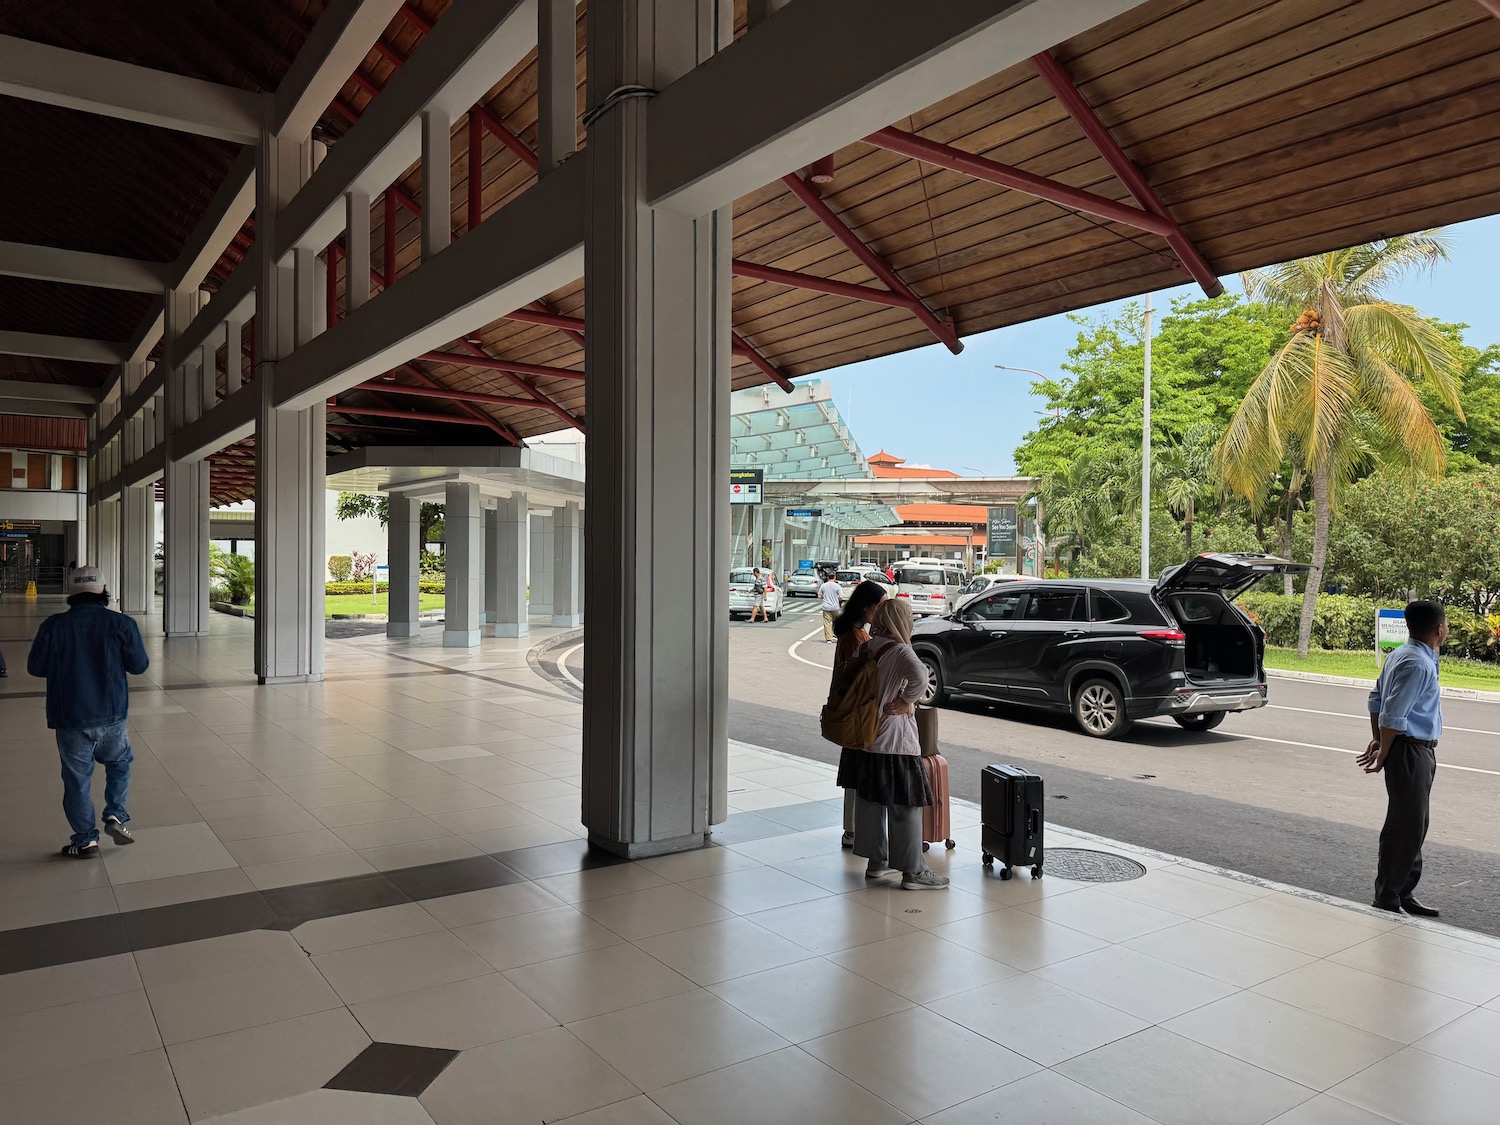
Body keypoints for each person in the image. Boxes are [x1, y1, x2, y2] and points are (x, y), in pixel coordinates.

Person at [27, 565, 150, 858]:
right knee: (119, 763)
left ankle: (85, 841)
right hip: (111, 714)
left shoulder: (53, 626)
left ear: (71, 593)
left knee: (77, 779)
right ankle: (115, 815)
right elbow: (139, 665)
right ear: (103, 592)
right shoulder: (121, 624)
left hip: (69, 716)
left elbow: (35, 668)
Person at [840, 599, 948, 890]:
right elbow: (921, 675)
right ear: (902, 620)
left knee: (872, 801)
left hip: (866, 737)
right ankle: (914, 872)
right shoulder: (901, 650)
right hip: (895, 740)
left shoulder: (869, 646)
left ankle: (877, 862)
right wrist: (906, 700)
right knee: (906, 804)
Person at [1359, 600, 1446, 916]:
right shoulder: (1416, 663)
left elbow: (1375, 699)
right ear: (1439, 629)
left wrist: (1378, 739)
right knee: (1404, 825)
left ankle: (1402, 891)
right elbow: (1392, 714)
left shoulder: (1404, 655)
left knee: (1415, 823)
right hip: (1410, 749)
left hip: (1413, 748)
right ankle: (1387, 896)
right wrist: (1383, 748)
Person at [833, 581, 889, 849]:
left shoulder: (850, 634)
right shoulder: (859, 639)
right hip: (859, 713)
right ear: (867, 606)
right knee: (859, 773)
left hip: (849, 710)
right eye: (880, 606)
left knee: (853, 773)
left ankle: (851, 830)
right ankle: (854, 831)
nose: (882, 612)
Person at [818, 570, 843, 643]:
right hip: (835, 607)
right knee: (837, 622)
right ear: (834, 577)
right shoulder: (837, 586)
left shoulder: (823, 585)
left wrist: (825, 597)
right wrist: (837, 598)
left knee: (827, 622)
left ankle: (829, 638)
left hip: (826, 606)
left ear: (827, 577)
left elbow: (819, 596)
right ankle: (837, 635)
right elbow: (841, 597)